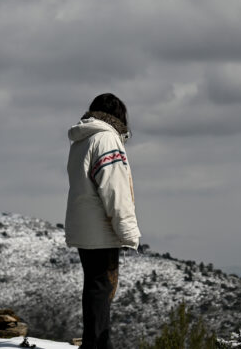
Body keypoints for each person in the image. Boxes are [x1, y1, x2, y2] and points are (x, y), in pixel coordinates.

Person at [65, 93, 140, 349]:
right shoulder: (107, 138)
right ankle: (98, 344)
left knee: (94, 287)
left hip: (84, 226)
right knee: (102, 289)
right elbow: (114, 190)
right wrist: (128, 232)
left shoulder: (82, 139)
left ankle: (92, 342)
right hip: (101, 227)